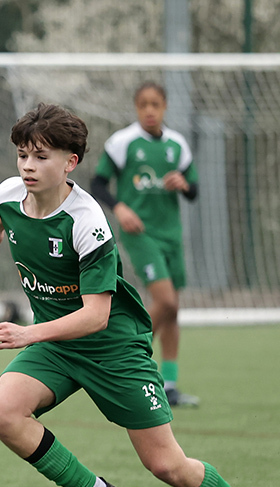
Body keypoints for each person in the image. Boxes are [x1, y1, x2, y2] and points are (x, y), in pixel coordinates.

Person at [0, 102, 268, 487]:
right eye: (23, 155)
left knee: (167, 465)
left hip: (111, 348)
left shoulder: (87, 222)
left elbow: (95, 316)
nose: (29, 166)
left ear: (70, 163)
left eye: (42, 157)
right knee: (2, 413)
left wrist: (28, 333)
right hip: (57, 346)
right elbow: (8, 213)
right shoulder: (10, 193)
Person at [90, 82, 199, 407]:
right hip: (140, 234)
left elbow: (194, 190)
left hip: (171, 235)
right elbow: (97, 183)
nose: (149, 110)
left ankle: (170, 384)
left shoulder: (177, 145)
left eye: (155, 104)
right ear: (137, 108)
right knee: (165, 302)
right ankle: (122, 361)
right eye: (143, 105)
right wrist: (120, 208)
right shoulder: (123, 142)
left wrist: (183, 184)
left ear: (164, 107)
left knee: (173, 311)